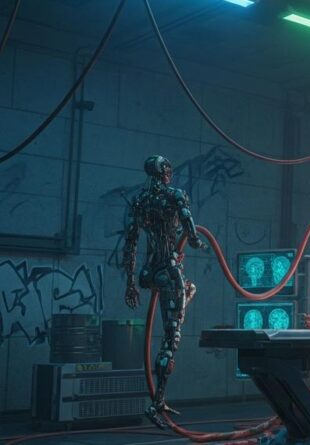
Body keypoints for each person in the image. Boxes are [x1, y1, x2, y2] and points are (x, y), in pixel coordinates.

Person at [122, 155, 204, 428]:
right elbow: (189, 226)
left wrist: (131, 284)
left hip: (149, 273)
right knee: (171, 337)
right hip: (169, 270)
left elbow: (131, 243)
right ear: (165, 172)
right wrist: (196, 241)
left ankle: (182, 300)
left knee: (189, 290)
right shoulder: (175, 195)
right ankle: (156, 401)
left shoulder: (140, 201)